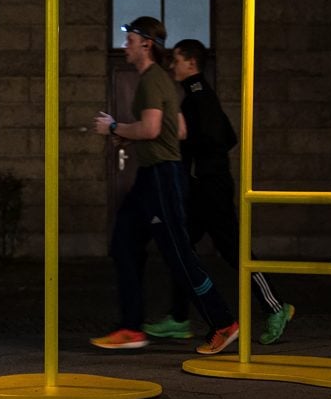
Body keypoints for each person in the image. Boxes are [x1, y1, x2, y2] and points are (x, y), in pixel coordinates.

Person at [91, 17, 239, 355]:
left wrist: (114, 127)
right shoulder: (161, 81)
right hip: (152, 175)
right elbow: (180, 129)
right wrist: (133, 137)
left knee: (179, 254)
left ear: (146, 44)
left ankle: (223, 322)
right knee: (123, 243)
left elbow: (152, 129)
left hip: (161, 177)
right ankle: (131, 328)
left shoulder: (151, 80)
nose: (124, 47)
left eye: (129, 41)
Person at [143, 39, 295, 345]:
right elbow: (228, 136)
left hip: (211, 188)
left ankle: (276, 307)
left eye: (176, 60)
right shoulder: (198, 95)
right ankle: (179, 317)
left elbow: (216, 138)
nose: (172, 66)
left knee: (233, 250)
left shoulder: (198, 97)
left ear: (191, 63)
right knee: (181, 247)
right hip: (205, 186)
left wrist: (185, 143)